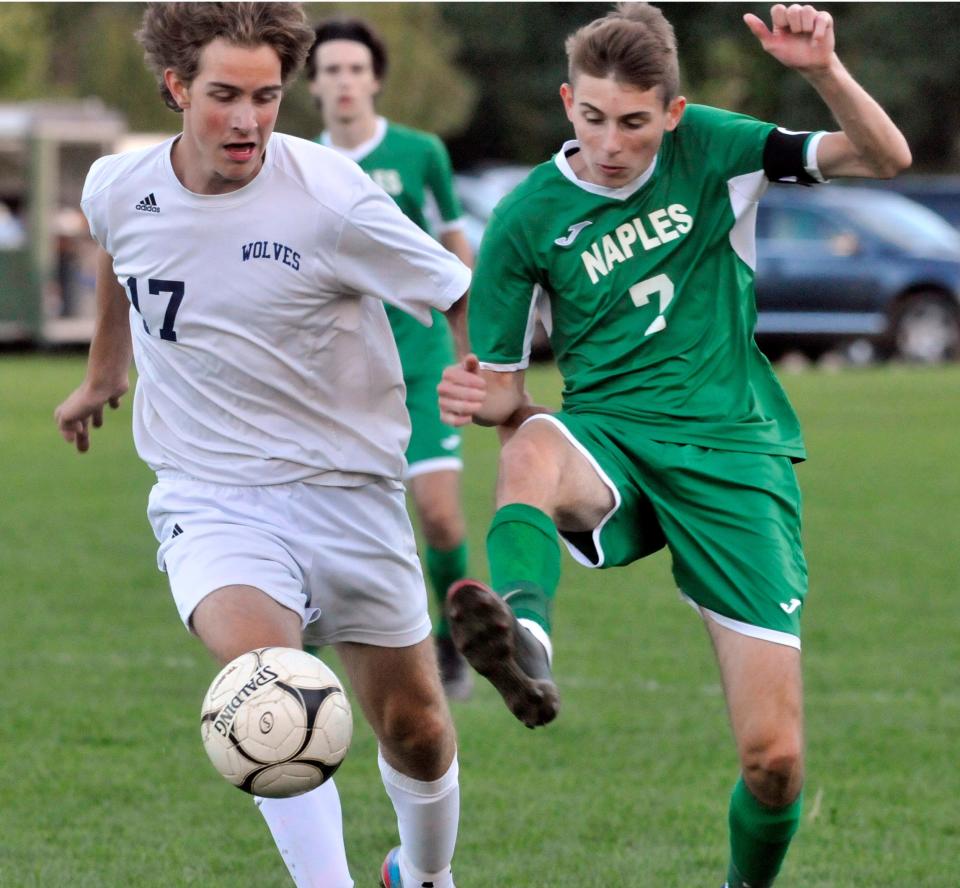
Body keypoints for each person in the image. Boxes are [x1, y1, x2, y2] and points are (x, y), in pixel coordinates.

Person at [437, 4, 910, 886]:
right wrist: (474, 393)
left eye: (635, 123)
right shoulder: (525, 218)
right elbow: (504, 394)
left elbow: (884, 157)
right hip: (611, 438)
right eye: (592, 118)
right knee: (529, 447)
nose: (611, 143)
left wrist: (822, 72)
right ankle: (525, 635)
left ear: (674, 113)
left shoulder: (719, 150)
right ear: (567, 100)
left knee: (775, 764)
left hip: (735, 455)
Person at [54, 4, 470, 887]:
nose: (247, 121)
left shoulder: (331, 196)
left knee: (418, 731)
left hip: (349, 492)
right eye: (224, 96)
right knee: (267, 690)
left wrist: (489, 378)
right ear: (175, 88)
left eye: (268, 97)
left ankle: (426, 876)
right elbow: (118, 257)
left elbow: (456, 287)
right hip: (210, 495)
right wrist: (103, 373)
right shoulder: (118, 186)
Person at [305, 18, 476, 702]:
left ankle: (454, 638)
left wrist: (475, 351)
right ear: (312, 84)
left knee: (436, 515)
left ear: (374, 79)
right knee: (319, 517)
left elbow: (455, 249)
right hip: (335, 370)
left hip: (421, 360)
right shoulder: (297, 160)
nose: (344, 82)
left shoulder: (418, 153)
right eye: (330, 70)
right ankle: (300, 657)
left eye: (354, 69)